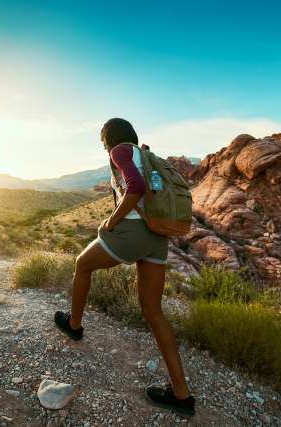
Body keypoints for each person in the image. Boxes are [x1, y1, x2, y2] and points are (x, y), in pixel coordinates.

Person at [53, 118, 195, 416]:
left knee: (82, 263)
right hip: (158, 236)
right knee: (154, 312)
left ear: (109, 138)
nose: (104, 146)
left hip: (132, 233)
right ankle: (182, 396)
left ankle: (75, 325)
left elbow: (135, 187)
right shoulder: (144, 154)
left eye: (103, 140)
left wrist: (112, 221)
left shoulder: (120, 151)